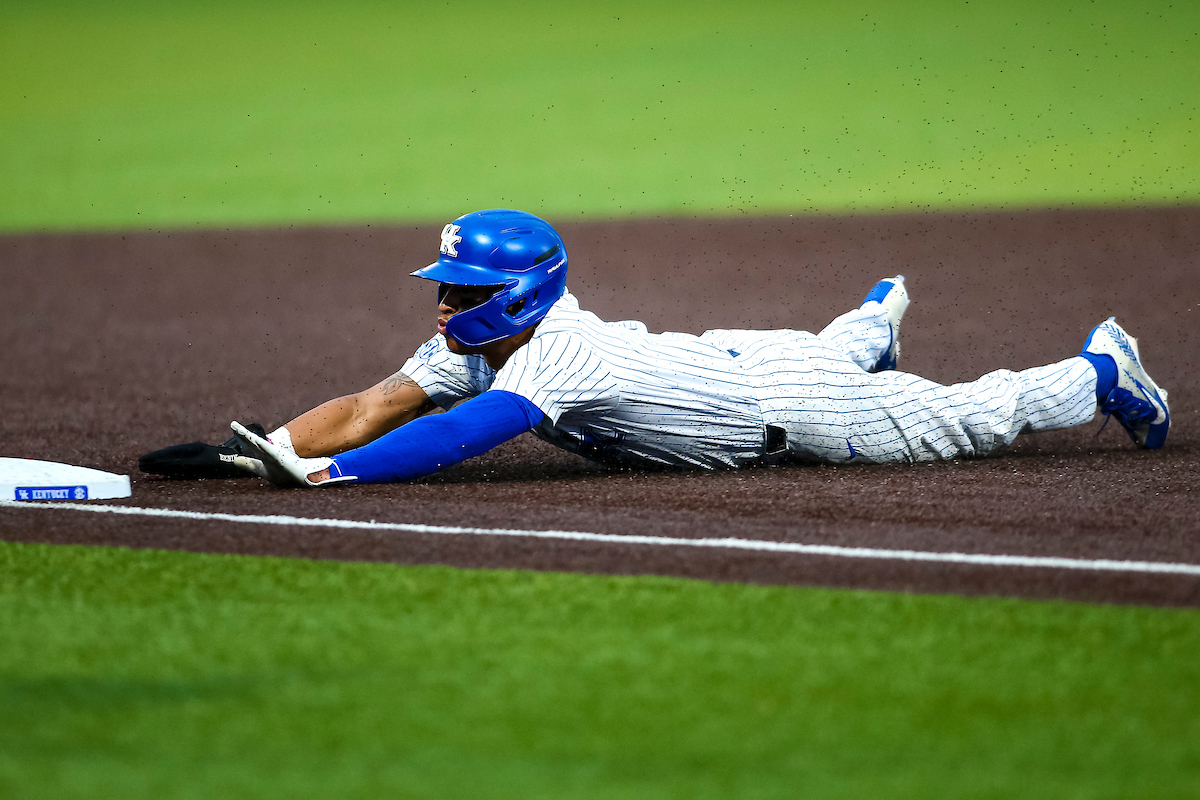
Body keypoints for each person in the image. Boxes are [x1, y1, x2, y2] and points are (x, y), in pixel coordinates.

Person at [224, 208, 1170, 488]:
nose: (442, 306)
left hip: (794, 410)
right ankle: (874, 319)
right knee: (831, 350)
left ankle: (1100, 369)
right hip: (737, 358)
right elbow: (375, 406)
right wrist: (278, 447)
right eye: (444, 288)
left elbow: (461, 434)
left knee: (968, 418)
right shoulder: (478, 343)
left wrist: (335, 474)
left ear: (515, 295)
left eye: (461, 291)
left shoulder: (555, 351)